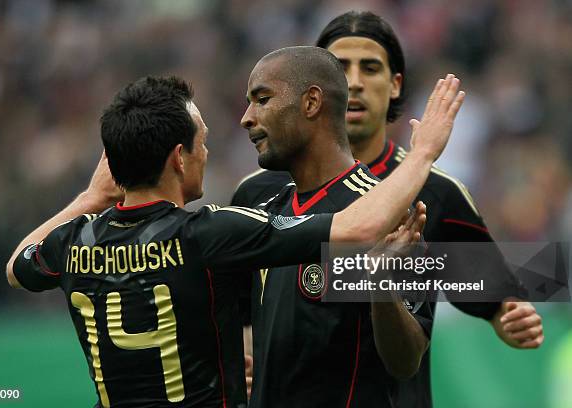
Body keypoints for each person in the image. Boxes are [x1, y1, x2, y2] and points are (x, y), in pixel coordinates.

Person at [6, 70, 461, 408]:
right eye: (201, 142)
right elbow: (359, 228)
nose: (210, 149)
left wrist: (89, 197)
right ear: (179, 159)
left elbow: (15, 268)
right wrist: (422, 154)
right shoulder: (208, 232)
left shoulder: (73, 242)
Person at [232, 11, 544, 408]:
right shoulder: (259, 192)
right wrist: (245, 351)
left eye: (371, 67)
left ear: (395, 84)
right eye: (340, 67)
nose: (356, 82)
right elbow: (242, 305)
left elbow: (492, 288)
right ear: (313, 91)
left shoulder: (434, 193)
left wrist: (506, 313)